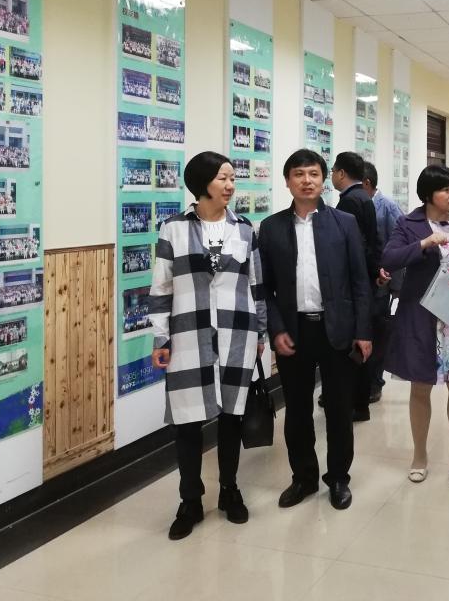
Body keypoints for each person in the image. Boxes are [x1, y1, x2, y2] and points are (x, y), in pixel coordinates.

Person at [149, 151, 266, 539]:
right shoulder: (173, 229)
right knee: (187, 421)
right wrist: (160, 336)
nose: (230, 185)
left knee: (232, 417)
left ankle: (230, 490)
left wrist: (261, 332)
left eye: (232, 178)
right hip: (188, 335)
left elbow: (256, 286)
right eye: (222, 178)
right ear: (202, 183)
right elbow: (161, 288)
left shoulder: (245, 229)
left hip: (237, 333)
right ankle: (190, 500)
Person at [257, 149, 373, 510]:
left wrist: (364, 331)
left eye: (313, 174)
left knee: (338, 410)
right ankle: (303, 478)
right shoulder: (271, 228)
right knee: (297, 411)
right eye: (298, 174)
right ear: (287, 181)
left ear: (324, 180)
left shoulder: (344, 223)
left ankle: (338, 478)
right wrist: (275, 328)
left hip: (337, 330)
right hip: (294, 332)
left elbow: (360, 282)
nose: (306, 181)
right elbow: (265, 289)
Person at [381, 165, 449, 485]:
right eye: (445, 189)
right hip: (420, 316)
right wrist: (424, 244)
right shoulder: (409, 224)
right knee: (420, 386)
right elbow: (390, 258)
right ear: (428, 194)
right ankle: (419, 455)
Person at [331, 152, 382, 422]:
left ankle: (356, 402)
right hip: (366, 278)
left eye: (331, 171)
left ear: (341, 173)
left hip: (354, 282)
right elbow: (374, 242)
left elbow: (354, 246)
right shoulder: (365, 197)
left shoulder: (349, 202)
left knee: (355, 343)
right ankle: (360, 400)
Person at [362, 162, 404, 403]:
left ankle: (375, 383)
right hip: (363, 285)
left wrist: (396, 288)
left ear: (366, 183)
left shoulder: (387, 207)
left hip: (383, 286)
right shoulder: (357, 204)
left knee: (379, 333)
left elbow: (400, 248)